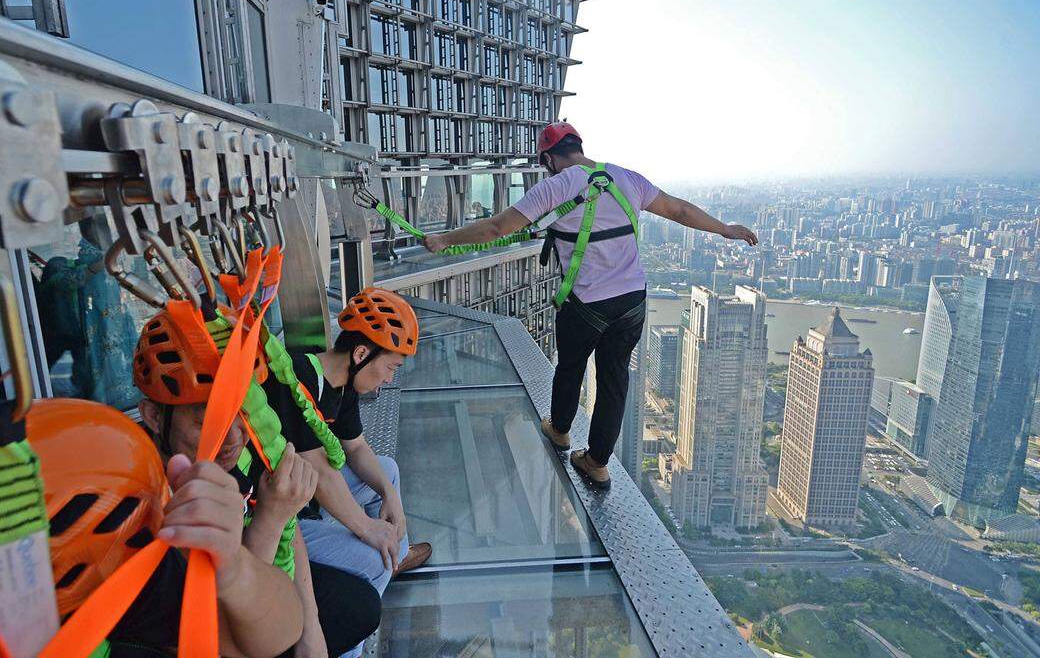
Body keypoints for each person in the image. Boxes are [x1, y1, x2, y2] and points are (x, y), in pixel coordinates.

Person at [423, 121, 758, 490]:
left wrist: (443, 240)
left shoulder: (555, 185)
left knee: (570, 367)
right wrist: (725, 228)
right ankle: (597, 462)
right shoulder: (626, 178)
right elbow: (678, 210)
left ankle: (561, 431)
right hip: (632, 300)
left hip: (586, 302)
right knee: (615, 378)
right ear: (579, 147)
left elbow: (496, 228)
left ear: (548, 158)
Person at [0, 397, 304, 658]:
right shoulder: (96, 526)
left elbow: (269, 636)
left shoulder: (114, 535)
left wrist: (234, 567)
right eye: (212, 419)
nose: (234, 437)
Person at [134, 302, 382, 658]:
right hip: (213, 624)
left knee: (359, 606)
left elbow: (288, 529)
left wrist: (311, 633)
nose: (234, 437)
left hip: (255, 572)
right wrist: (270, 518)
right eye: (209, 421)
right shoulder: (146, 500)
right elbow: (231, 633)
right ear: (154, 417)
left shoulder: (230, 451)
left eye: (242, 412)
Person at [262, 288, 432, 603]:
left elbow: (355, 448)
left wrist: (389, 495)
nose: (389, 379)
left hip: (312, 497)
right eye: (390, 367)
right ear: (361, 355)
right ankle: (380, 570)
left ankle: (397, 551)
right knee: (373, 564)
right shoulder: (298, 380)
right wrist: (367, 527)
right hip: (288, 519)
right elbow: (319, 470)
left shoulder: (343, 384)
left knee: (387, 470)